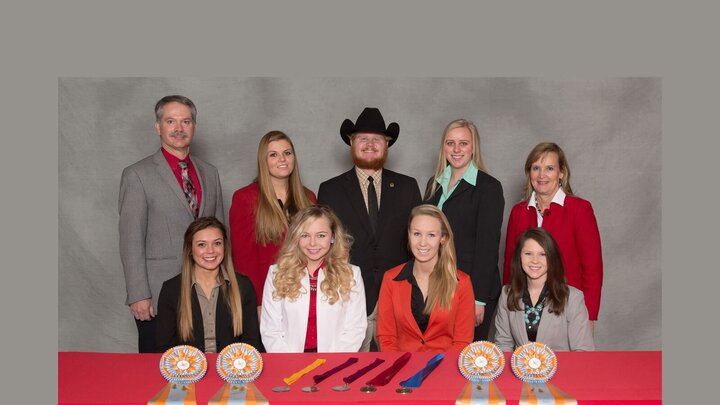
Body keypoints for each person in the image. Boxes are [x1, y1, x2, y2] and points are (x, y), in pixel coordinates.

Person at [119, 95, 224, 352]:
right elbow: (130, 240)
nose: (179, 128)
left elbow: (221, 232)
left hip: (205, 290)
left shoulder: (209, 173)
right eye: (170, 121)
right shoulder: (137, 175)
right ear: (158, 127)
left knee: (202, 364)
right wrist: (138, 294)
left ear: (194, 127)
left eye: (186, 121)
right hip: (156, 292)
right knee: (158, 369)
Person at [317, 107, 421, 351]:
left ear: (387, 145)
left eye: (377, 139)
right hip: (348, 296)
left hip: (398, 297)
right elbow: (324, 245)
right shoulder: (330, 190)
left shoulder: (408, 186)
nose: (370, 144)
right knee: (351, 370)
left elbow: (418, 243)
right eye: (363, 138)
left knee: (397, 370)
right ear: (351, 143)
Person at [503, 142, 602, 331]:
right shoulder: (518, 212)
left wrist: (589, 316)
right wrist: (509, 309)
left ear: (561, 173)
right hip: (526, 311)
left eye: (549, 168)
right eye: (536, 168)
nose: (542, 175)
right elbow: (510, 266)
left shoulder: (580, 209)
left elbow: (592, 269)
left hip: (568, 311)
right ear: (529, 173)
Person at [424, 119, 504, 341]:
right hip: (436, 283)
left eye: (463, 143)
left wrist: (478, 299)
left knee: (467, 356)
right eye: (450, 143)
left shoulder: (488, 187)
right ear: (444, 147)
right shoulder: (434, 184)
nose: (456, 150)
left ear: (473, 147)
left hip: (470, 287)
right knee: (437, 351)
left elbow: (487, 247)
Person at [229, 131, 316, 314]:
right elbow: (244, 260)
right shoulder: (246, 198)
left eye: (287, 153)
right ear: (263, 160)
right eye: (273, 154)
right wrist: (258, 303)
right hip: (267, 297)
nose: (282, 159)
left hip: (304, 295)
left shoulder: (308, 197)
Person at [260, 205, 367, 352]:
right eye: (305, 235)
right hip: (289, 361)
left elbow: (355, 329)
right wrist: (290, 364)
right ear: (296, 237)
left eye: (321, 235)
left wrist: (333, 364)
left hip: (335, 362)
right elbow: (271, 330)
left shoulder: (351, 274)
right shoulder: (276, 273)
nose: (312, 243)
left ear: (333, 237)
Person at [155, 217, 261, 352]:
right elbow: (163, 347)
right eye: (201, 245)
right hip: (186, 370)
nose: (210, 251)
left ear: (225, 246)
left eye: (217, 243)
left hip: (232, 369)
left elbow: (252, 342)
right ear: (189, 249)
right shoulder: (171, 290)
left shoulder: (243, 286)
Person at [377, 205, 474, 352]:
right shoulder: (390, 279)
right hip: (402, 368)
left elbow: (462, 341)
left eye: (431, 235)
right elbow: (386, 337)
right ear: (409, 235)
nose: (423, 243)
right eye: (417, 234)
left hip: (445, 369)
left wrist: (440, 371)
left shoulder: (462, 282)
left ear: (443, 238)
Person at [494, 227, 595, 351]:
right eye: (528, 253)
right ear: (519, 257)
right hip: (519, 369)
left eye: (542, 254)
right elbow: (503, 344)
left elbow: (583, 350)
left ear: (552, 258)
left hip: (563, 369)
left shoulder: (573, 297)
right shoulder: (506, 294)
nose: (535, 260)